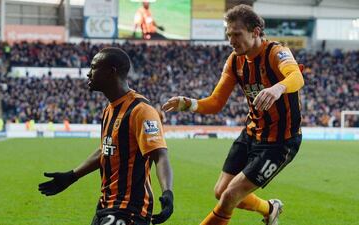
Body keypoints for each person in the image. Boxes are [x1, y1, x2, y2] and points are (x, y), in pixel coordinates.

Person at [162, 4, 304, 225]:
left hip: (280, 142)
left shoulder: (276, 52)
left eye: (236, 34)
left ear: (255, 31)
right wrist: (188, 104)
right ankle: (270, 209)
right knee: (221, 191)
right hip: (251, 134)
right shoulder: (234, 60)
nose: (231, 40)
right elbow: (216, 102)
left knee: (230, 195)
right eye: (228, 34)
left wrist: (278, 88)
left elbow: (296, 77)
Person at [39, 47, 174, 225]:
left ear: (111, 72)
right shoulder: (109, 110)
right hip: (105, 205)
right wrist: (72, 176)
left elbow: (160, 155)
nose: (88, 73)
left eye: (94, 67)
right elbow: (106, 149)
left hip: (129, 210)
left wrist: (167, 193)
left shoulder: (141, 110)